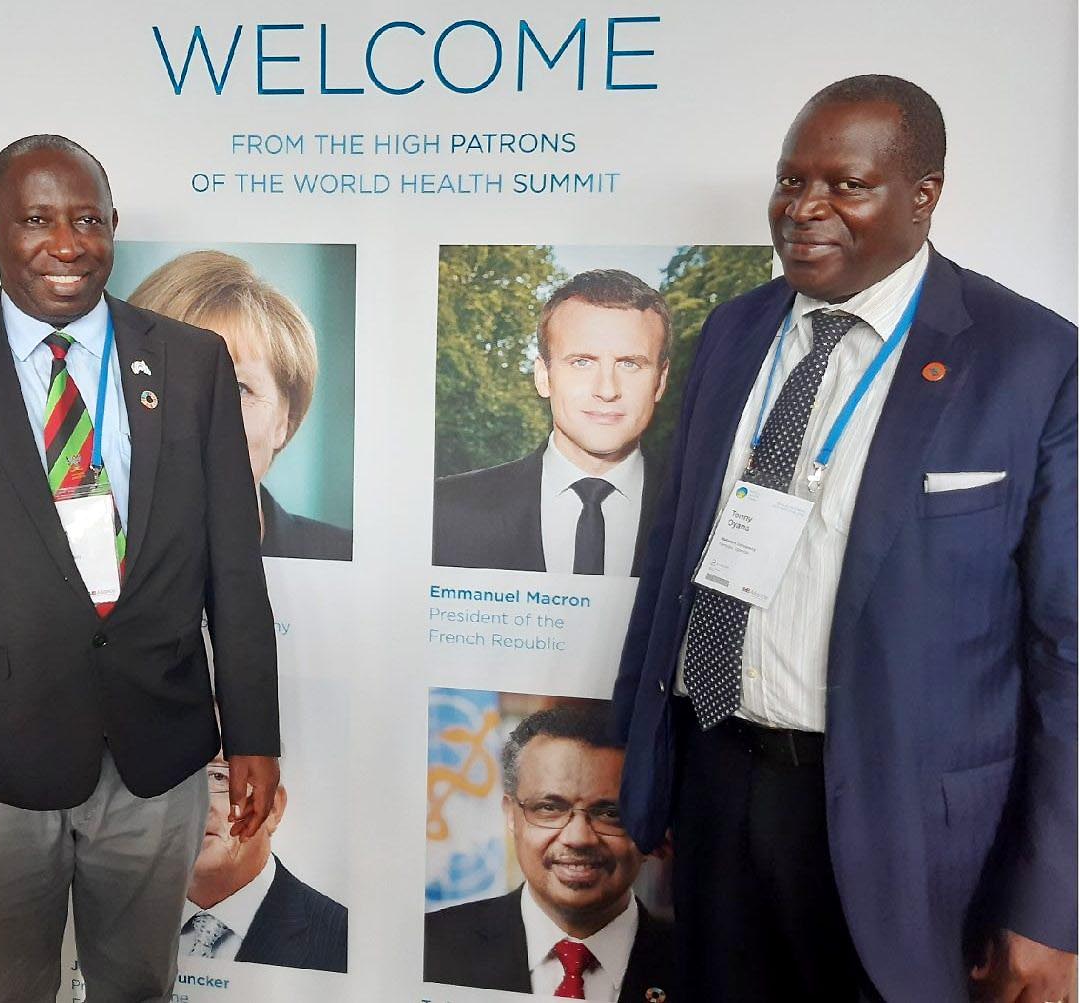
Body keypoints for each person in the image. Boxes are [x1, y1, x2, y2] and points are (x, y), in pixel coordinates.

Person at [613, 75, 1076, 1003]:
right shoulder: (735, 330)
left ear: (923, 195)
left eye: (846, 185)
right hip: (720, 788)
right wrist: (652, 782)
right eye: (790, 182)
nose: (805, 210)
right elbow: (670, 561)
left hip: (909, 840)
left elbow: (1066, 649)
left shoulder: (1031, 358)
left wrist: (1052, 903)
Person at [0, 135, 281, 1003]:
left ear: (114, 228)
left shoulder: (190, 359)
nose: (67, 242)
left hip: (157, 756)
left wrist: (253, 734)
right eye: (37, 219)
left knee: (138, 989)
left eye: (88, 219)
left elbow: (234, 570)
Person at [424, 704, 675, 1001]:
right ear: (510, 816)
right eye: (549, 808)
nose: (578, 838)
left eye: (610, 813)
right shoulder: (429, 947)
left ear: (651, 826)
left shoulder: (711, 967)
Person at [433, 270, 669, 576]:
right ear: (543, 376)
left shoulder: (703, 515)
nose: (607, 390)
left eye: (630, 364)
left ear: (660, 381)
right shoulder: (444, 511)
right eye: (582, 362)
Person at [129, 249, 352, 561]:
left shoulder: (342, 555)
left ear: (283, 422)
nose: (199, 416)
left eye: (236, 387)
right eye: (168, 381)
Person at [180, 756, 348, 972]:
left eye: (219, 777)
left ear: (273, 807)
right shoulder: (127, 923)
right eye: (177, 782)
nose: (194, 804)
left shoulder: (342, 939)